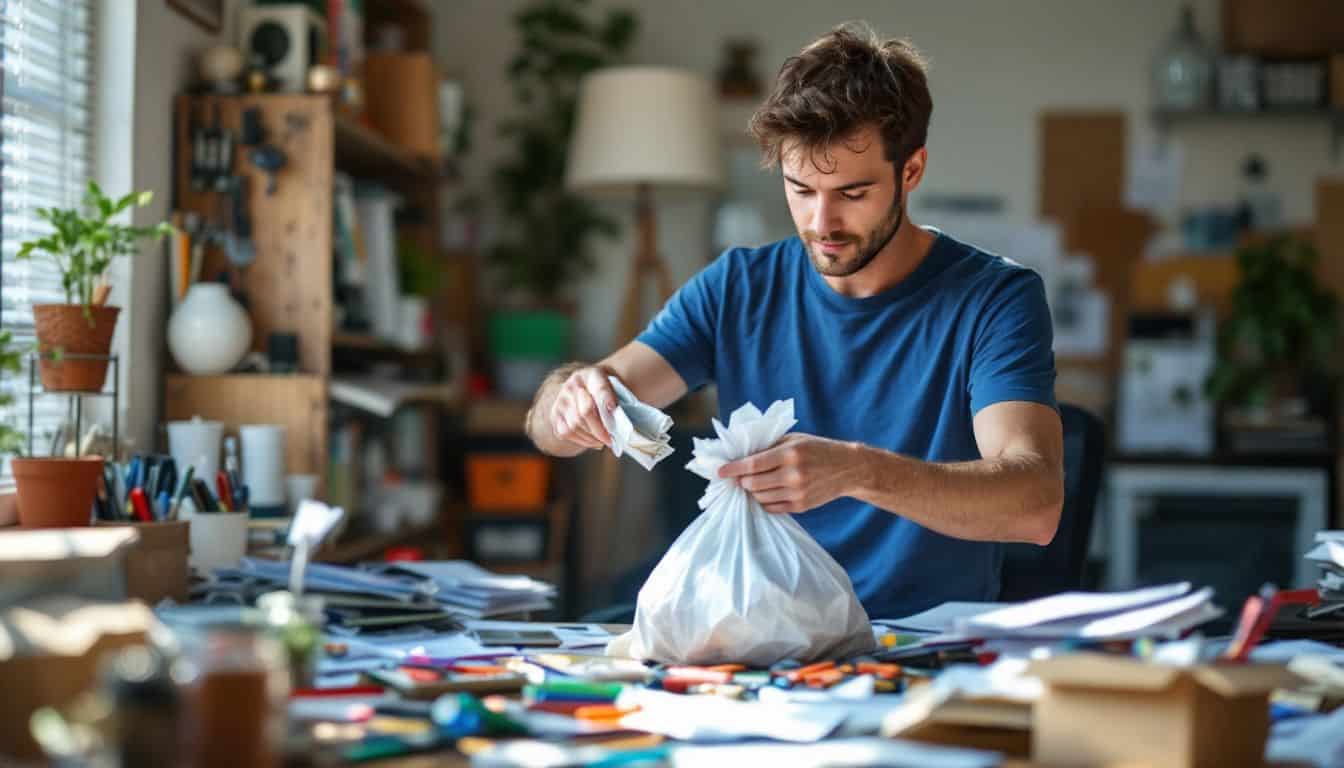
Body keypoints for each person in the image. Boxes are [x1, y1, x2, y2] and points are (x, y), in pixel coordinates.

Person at [524, 22, 1063, 618]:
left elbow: (1035, 505)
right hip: (760, 643)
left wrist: (859, 472)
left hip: (920, 648)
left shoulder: (994, 299)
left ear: (911, 171)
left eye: (852, 194)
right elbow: (556, 426)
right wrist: (569, 398)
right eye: (800, 188)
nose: (821, 222)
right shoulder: (738, 288)